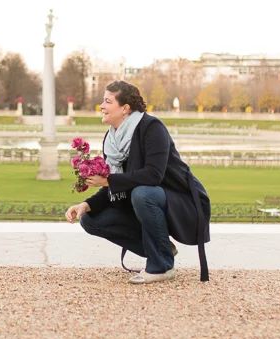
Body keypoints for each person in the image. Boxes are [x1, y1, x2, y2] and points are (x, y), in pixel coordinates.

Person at [65, 80, 211, 284]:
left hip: (180, 200)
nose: (102, 106)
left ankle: (162, 266)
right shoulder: (112, 139)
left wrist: (108, 181)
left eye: (107, 101)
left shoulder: (151, 127)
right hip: (146, 200)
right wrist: (86, 204)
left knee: (142, 193)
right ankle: (162, 249)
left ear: (125, 108)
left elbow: (153, 176)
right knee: (90, 219)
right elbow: (118, 185)